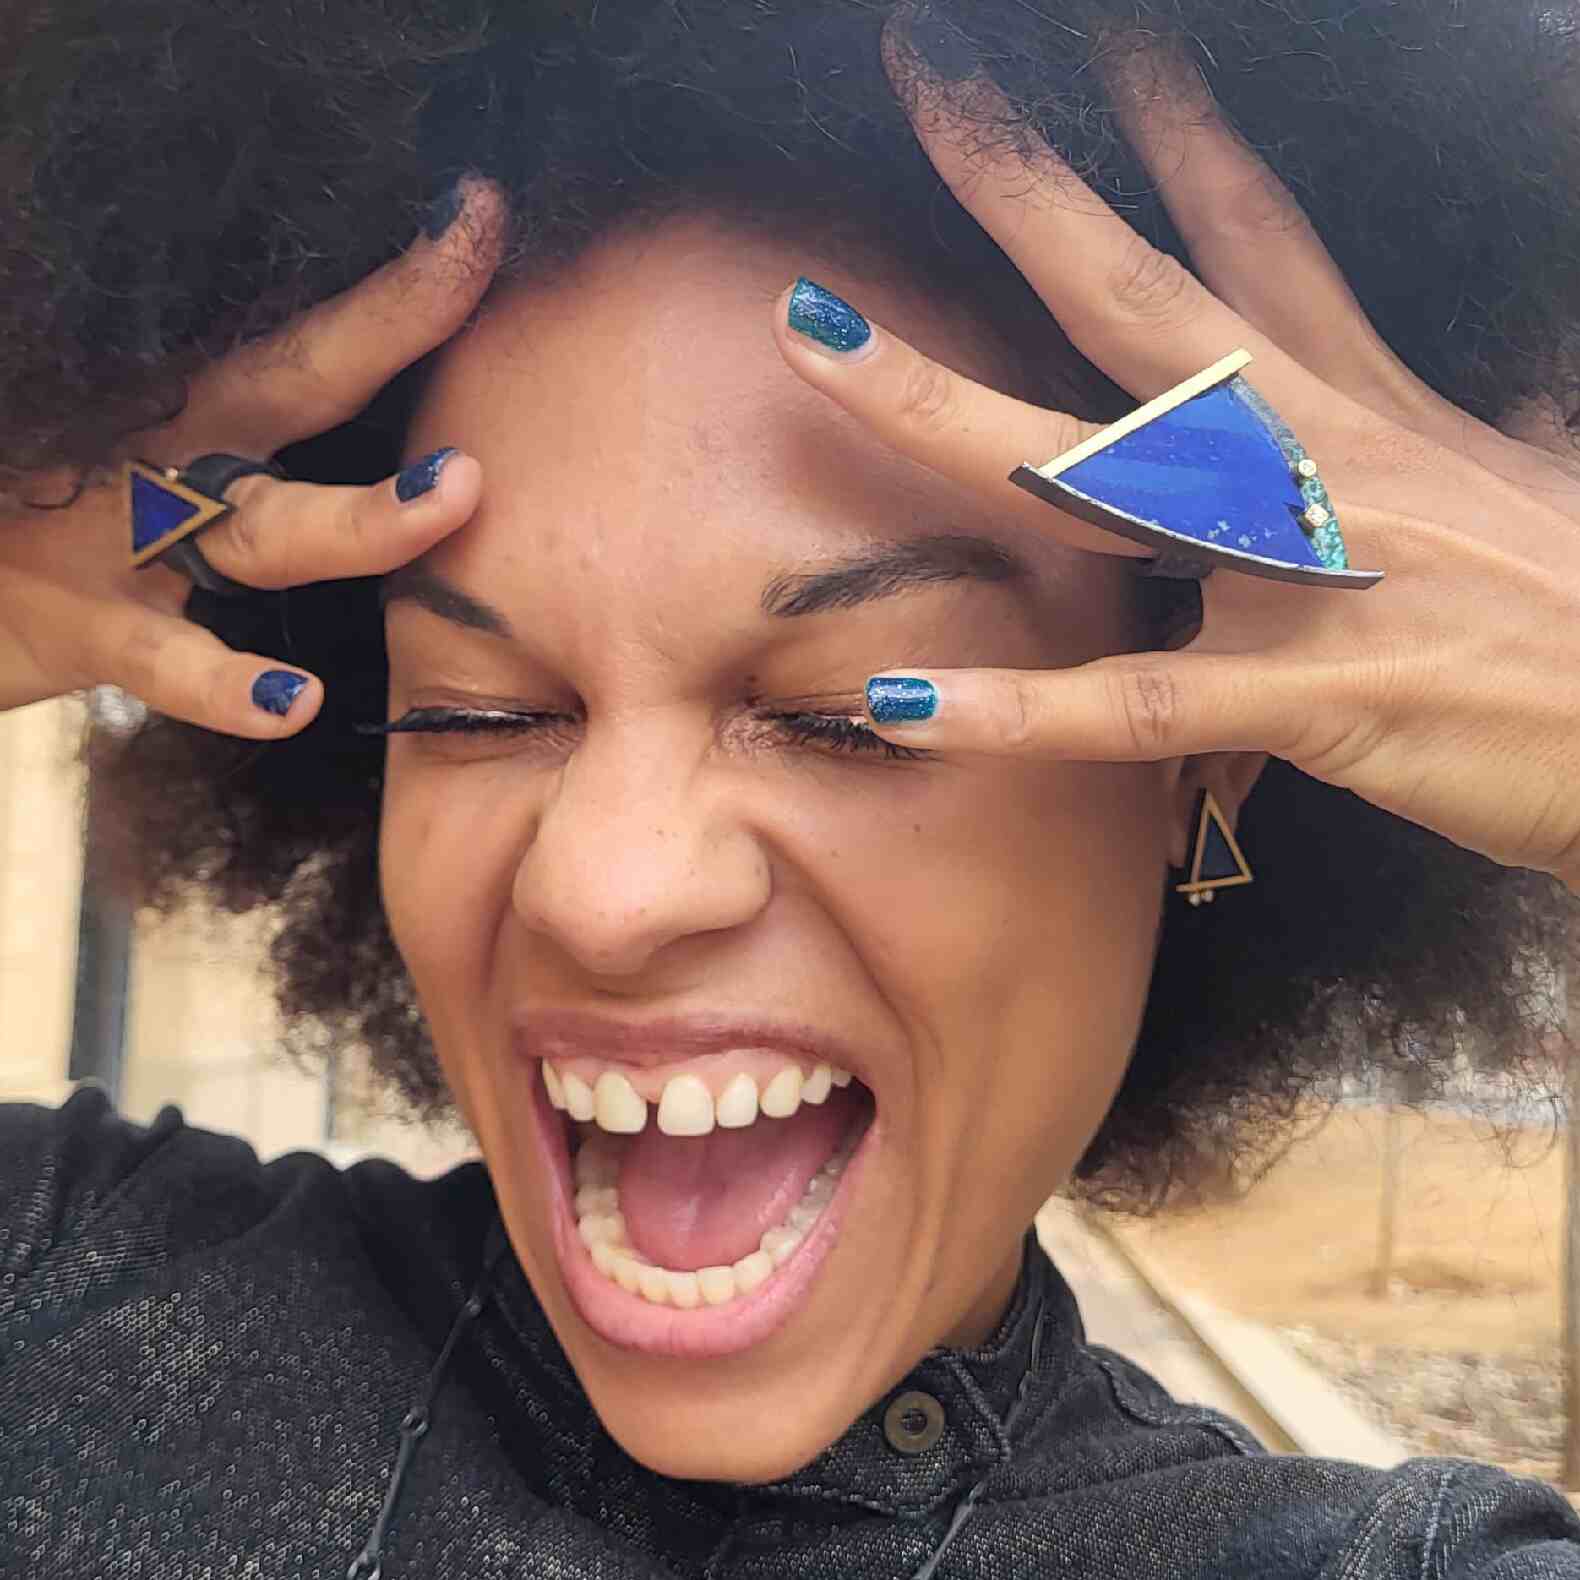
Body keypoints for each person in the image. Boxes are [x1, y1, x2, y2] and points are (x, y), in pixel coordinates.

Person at [3, 0, 1580, 1573]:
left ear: (1207, 752)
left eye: (848, 716)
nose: (605, 892)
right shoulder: (70, 1308)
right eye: (480, 715)